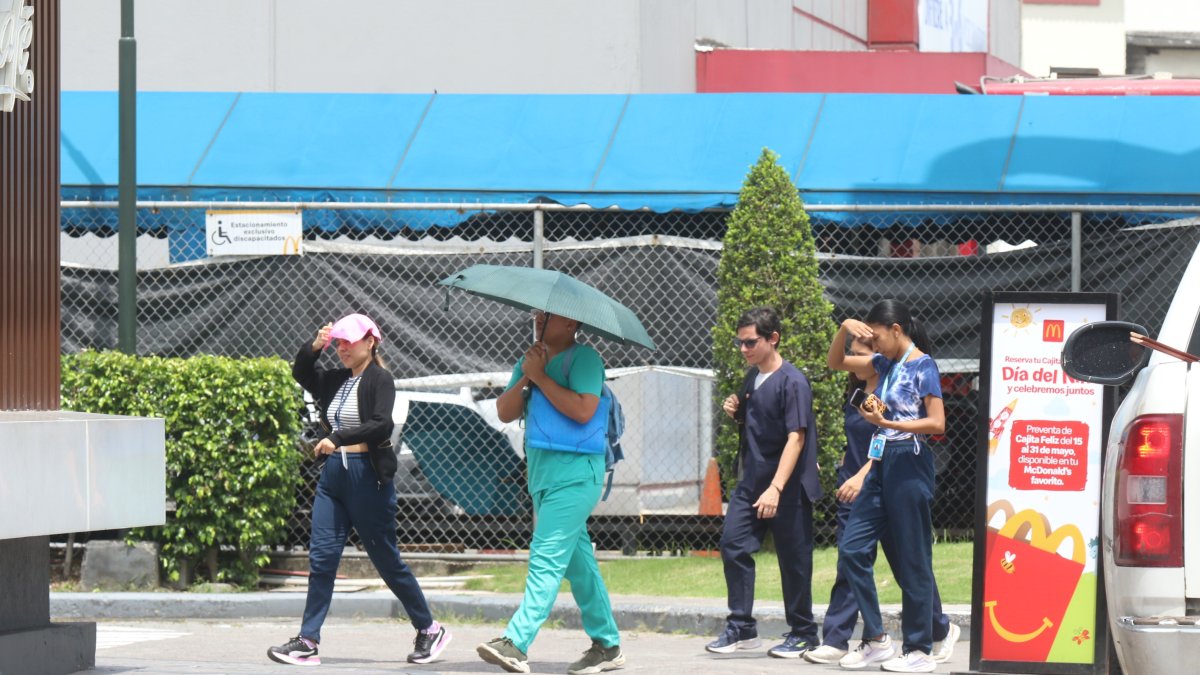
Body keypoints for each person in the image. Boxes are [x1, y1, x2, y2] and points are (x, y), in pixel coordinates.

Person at [268, 314, 451, 667]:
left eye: (348, 342)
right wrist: (314, 347)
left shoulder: (380, 379)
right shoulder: (336, 379)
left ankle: (429, 629)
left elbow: (379, 424)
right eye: (338, 342)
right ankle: (307, 641)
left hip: (368, 477)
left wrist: (336, 438)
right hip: (334, 478)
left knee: (386, 560)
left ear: (370, 342)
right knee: (321, 559)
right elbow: (302, 373)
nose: (342, 348)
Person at [476, 309, 623, 675]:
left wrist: (541, 377)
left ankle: (516, 642)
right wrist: (527, 375)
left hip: (577, 477)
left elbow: (584, 411)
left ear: (572, 323)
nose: (538, 322)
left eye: (548, 318)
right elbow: (505, 411)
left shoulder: (585, 359)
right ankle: (607, 645)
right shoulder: (528, 360)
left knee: (546, 556)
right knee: (580, 566)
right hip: (542, 478)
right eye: (537, 317)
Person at [804, 336, 960, 666]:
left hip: (894, 472)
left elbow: (901, 432)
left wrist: (864, 473)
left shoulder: (902, 375)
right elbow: (837, 362)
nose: (857, 359)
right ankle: (873, 637)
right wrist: (844, 327)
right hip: (873, 480)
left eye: (867, 349)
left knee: (911, 564)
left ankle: (930, 638)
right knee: (853, 552)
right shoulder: (873, 382)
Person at [704, 307, 822, 659]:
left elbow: (795, 439)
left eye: (750, 342)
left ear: (773, 339)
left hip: (786, 486)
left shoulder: (793, 381)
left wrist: (776, 488)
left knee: (794, 560)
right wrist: (736, 410)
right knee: (733, 546)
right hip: (750, 482)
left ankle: (803, 632)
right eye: (739, 342)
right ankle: (741, 628)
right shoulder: (752, 378)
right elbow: (759, 422)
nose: (743, 349)